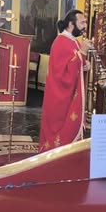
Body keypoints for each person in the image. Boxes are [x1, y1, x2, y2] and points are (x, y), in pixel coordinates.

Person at [39, 9, 91, 152]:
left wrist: (85, 64)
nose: (85, 26)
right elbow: (61, 73)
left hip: (70, 95)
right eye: (82, 23)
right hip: (59, 96)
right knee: (58, 127)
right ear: (70, 24)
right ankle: (52, 156)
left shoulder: (73, 42)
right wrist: (83, 53)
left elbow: (76, 64)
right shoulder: (60, 42)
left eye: (85, 22)